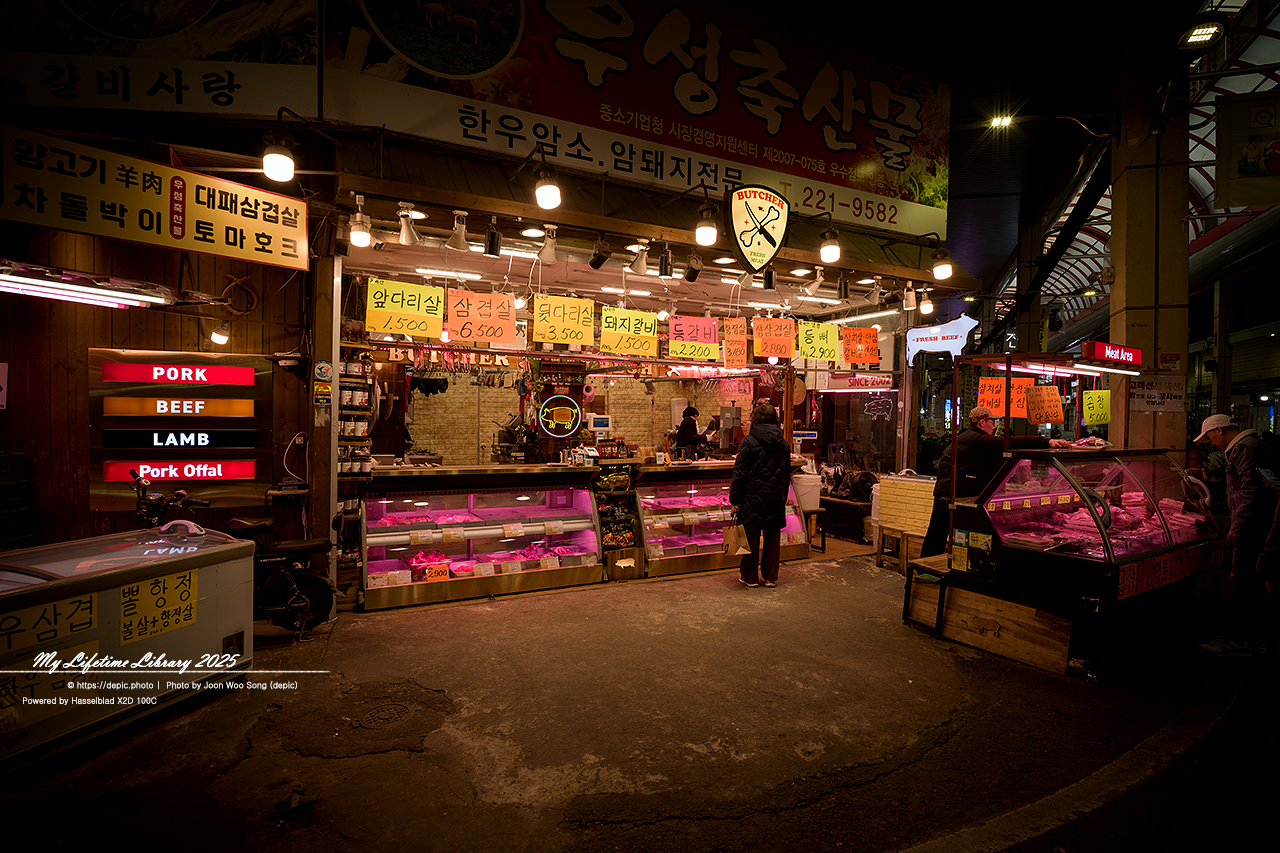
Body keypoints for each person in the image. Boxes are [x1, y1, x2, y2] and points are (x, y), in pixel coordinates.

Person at [921, 406, 1072, 557]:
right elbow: (1011, 443)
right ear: (982, 422)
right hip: (951, 495)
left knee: (938, 536)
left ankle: (928, 568)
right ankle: (923, 572)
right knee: (937, 537)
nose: (994, 426)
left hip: (954, 493)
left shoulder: (969, 437)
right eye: (992, 422)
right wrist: (1046, 442)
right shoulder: (977, 439)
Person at [1195, 413, 1279, 655]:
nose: (1210, 442)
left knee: (1240, 581)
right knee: (1254, 581)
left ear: (1220, 430)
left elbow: (1251, 492)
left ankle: (1235, 640)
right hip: (1262, 525)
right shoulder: (1255, 445)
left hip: (1252, 527)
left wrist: (1238, 526)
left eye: (1209, 436)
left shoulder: (1244, 449)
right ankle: (1256, 639)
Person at [729, 402, 792, 588]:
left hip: (752, 498)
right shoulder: (784, 443)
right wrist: (783, 495)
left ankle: (750, 578)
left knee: (751, 536)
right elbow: (787, 473)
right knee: (772, 536)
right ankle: (771, 577)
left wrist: (735, 499)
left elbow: (739, 474)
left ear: (755, 420)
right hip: (775, 497)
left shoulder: (748, 442)